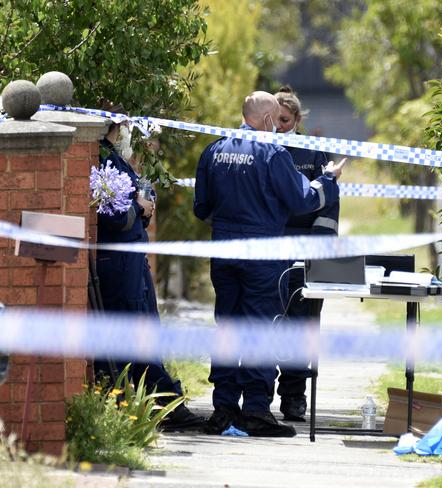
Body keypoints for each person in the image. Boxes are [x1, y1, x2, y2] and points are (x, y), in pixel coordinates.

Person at [194, 91, 345, 437]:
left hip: (226, 252)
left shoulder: (214, 150)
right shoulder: (274, 153)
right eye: (274, 119)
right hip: (263, 254)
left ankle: (224, 408)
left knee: (228, 326)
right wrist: (329, 179)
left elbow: (201, 208)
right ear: (265, 120)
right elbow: (304, 199)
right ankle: (257, 411)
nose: (277, 126)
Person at [95, 108, 205, 431]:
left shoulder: (115, 157)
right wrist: (137, 208)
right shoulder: (103, 157)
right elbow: (112, 215)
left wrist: (144, 204)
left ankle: (163, 402)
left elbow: (137, 195)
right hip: (120, 263)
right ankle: (164, 404)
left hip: (132, 261)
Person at [274, 86, 340, 422]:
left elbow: (328, 204)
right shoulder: (263, 147)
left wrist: (317, 253)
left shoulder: (314, 153)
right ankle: (258, 395)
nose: (279, 125)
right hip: (267, 248)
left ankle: (293, 397)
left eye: (284, 120)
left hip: (303, 252)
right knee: (269, 322)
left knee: (301, 325)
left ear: (298, 120)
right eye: (274, 119)